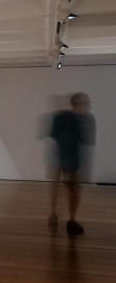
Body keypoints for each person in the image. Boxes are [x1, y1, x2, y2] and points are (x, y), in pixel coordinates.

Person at [48, 92, 96, 236]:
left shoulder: (88, 118)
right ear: (76, 104)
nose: (88, 105)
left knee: (73, 189)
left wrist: (84, 166)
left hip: (74, 160)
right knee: (57, 186)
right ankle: (53, 213)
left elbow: (86, 142)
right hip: (59, 158)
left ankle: (72, 220)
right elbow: (54, 135)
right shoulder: (61, 118)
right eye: (86, 102)